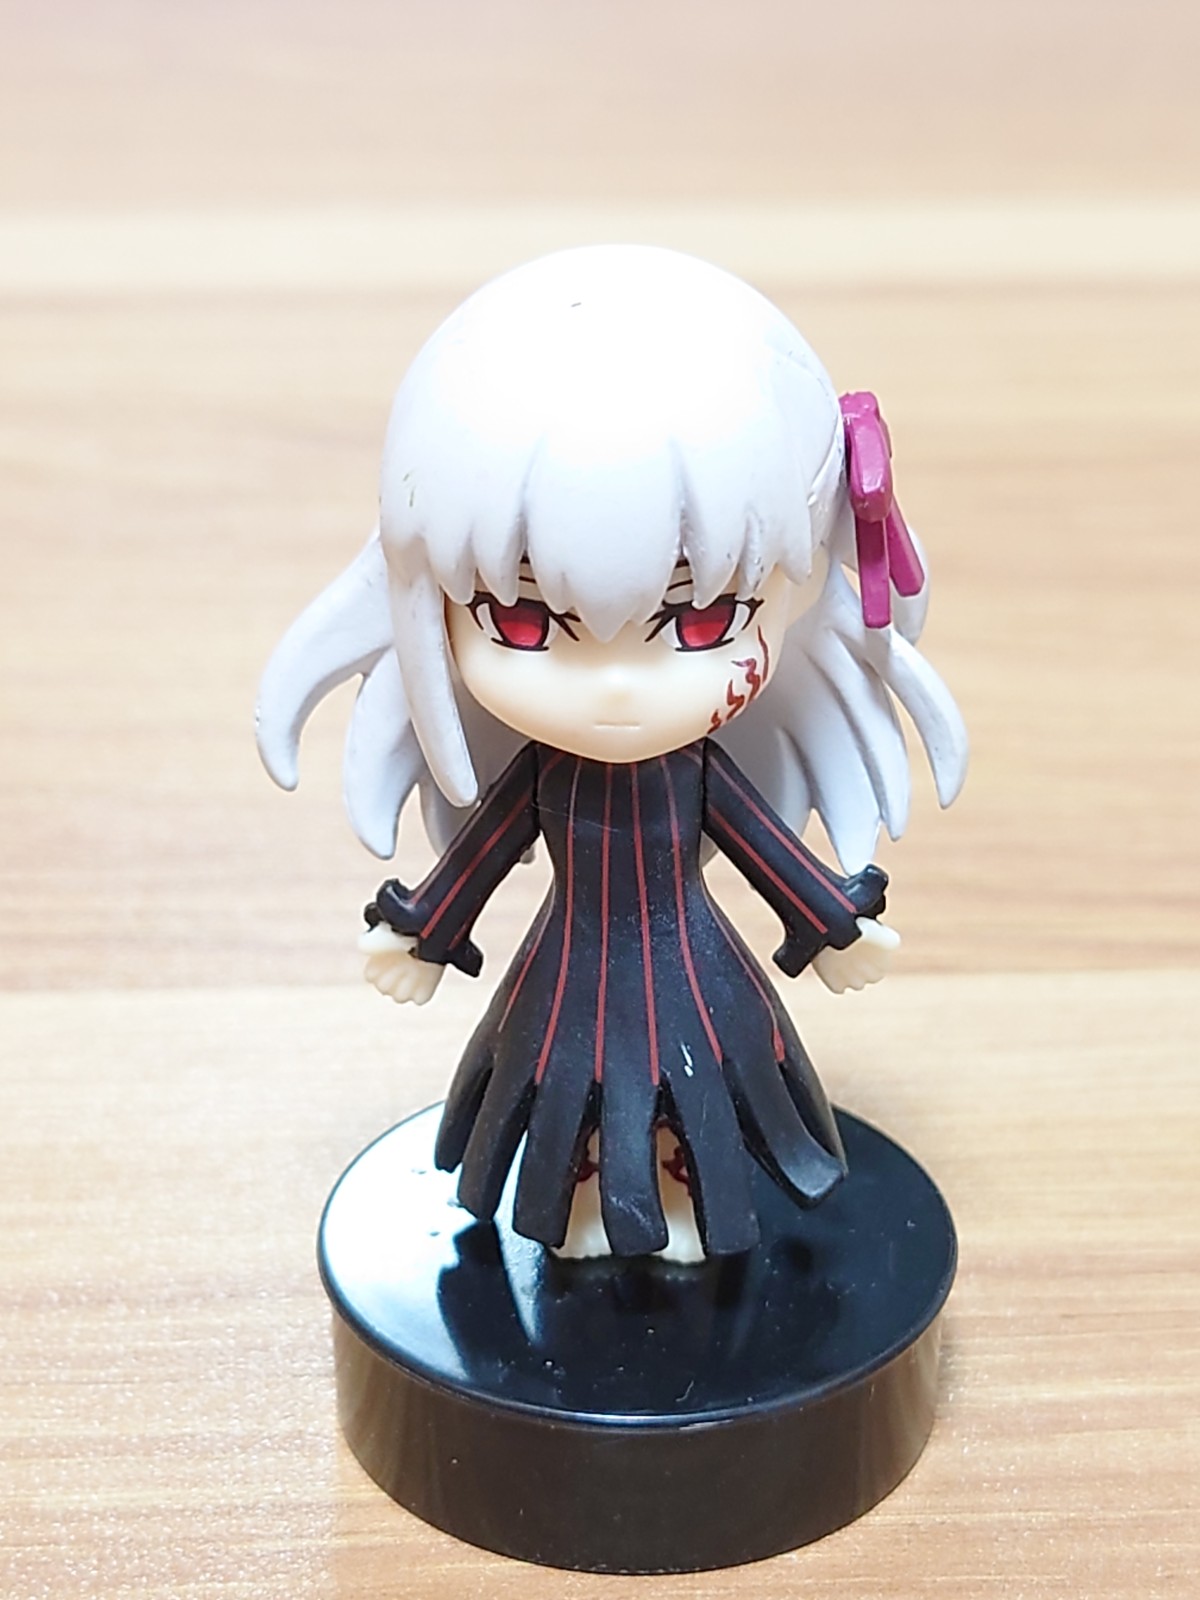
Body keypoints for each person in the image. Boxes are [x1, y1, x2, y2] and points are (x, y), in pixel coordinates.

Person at [257, 245, 967, 1261]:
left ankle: (682, 1200)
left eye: (702, 619)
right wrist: (423, 932)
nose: (617, 688)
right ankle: (580, 1209)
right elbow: (485, 853)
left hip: (694, 970)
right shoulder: (544, 776)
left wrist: (831, 925)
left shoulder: (699, 771)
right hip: (565, 976)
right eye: (523, 623)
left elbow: (768, 852)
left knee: (704, 1087)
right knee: (562, 1094)